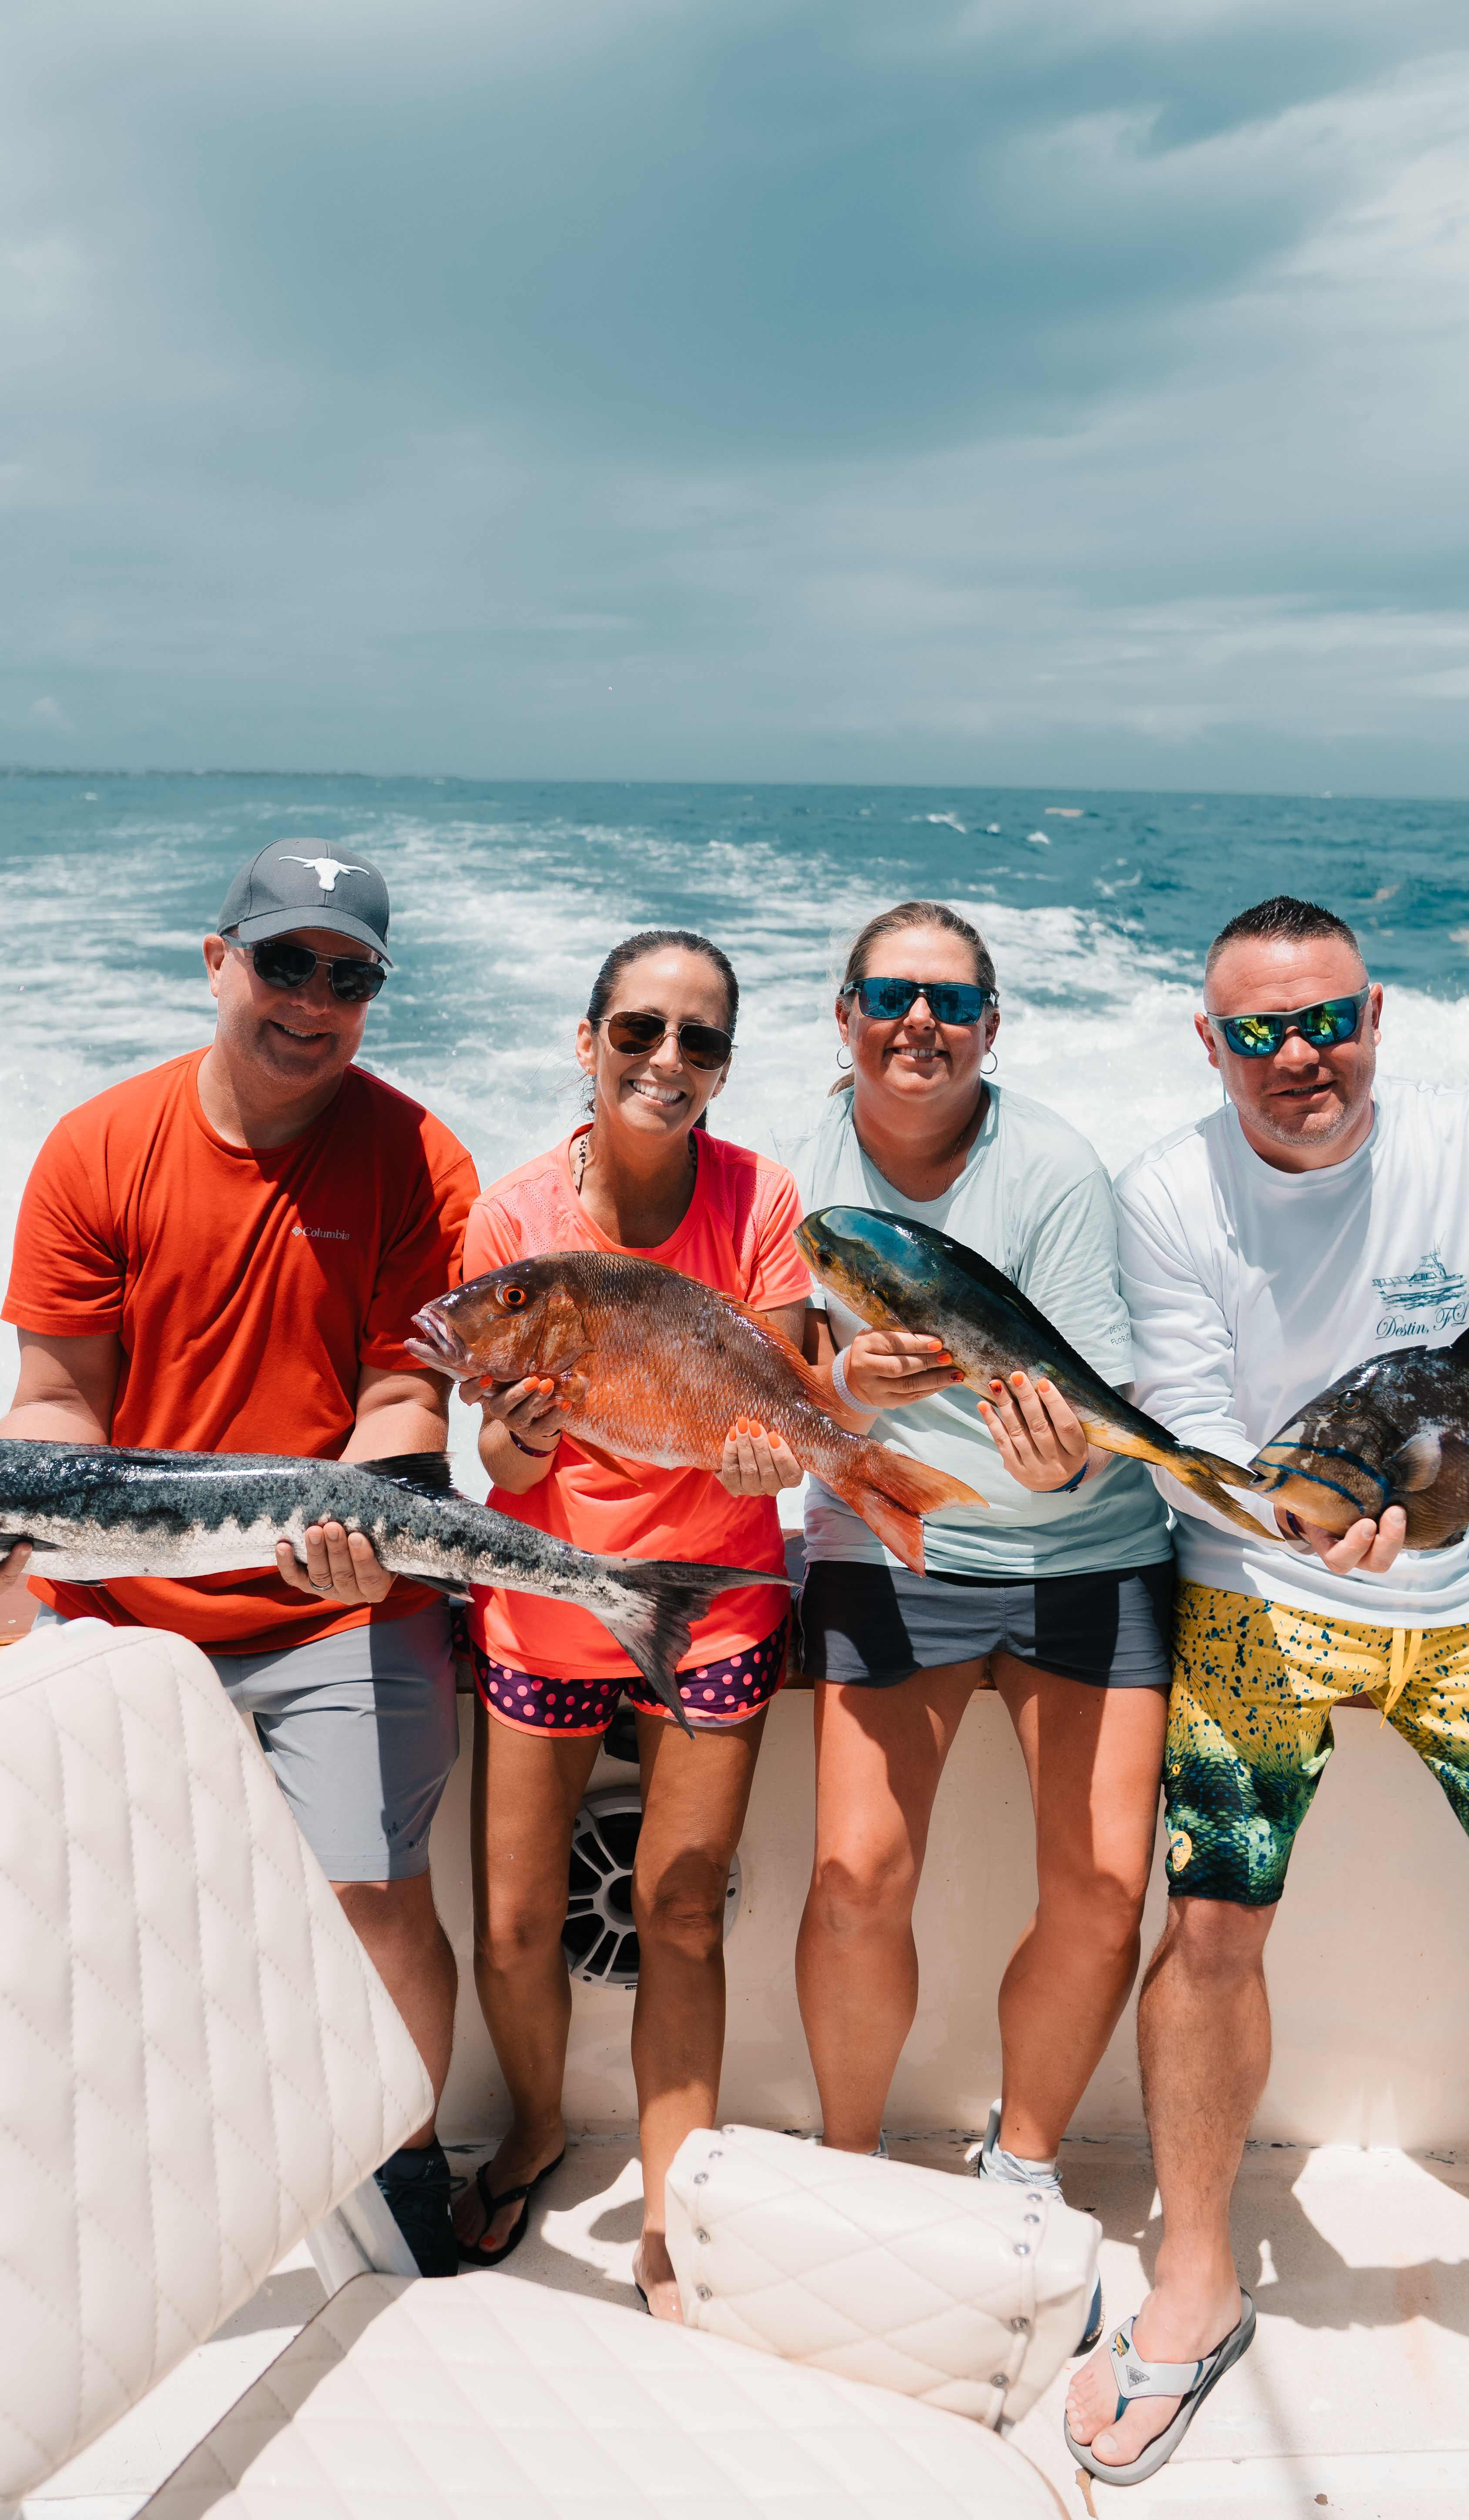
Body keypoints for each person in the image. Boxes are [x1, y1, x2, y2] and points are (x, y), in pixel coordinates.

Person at [0, 838, 478, 2276]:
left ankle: (406, 2175)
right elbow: (55, 1404)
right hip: (121, 1607)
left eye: (350, 977)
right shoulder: (97, 1147)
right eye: (285, 962)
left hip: (336, 1597)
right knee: (101, 1922)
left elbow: (407, 1398)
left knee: (373, 1896)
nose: (312, 999)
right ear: (218, 962)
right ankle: (129, 2190)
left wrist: (370, 1525)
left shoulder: (416, 1158)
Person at [1065, 893, 1469, 2483]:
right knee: (1213, 1924)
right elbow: (1195, 1438)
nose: (1300, 1057)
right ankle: (1194, 2275)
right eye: (1260, 1031)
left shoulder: (1453, 1152)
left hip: (1461, 1586)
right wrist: (1321, 1523)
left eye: (1328, 1021)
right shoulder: (1170, 1194)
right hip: (1256, 1591)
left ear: (1376, 1017)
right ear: (1210, 1039)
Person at [785, 897, 1173, 2322]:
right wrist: (840, 1391)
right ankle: (844, 2161)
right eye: (892, 995)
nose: (920, 1024)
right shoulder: (796, 1168)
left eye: (952, 1002)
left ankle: (1024, 2163)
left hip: (1088, 1548)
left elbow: (1086, 1396)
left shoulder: (1058, 1167)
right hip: (894, 1547)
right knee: (853, 1880)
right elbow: (782, 1383)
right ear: (846, 1016)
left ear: (992, 1028)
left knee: (1105, 1887)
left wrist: (1061, 1452)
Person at [449, 928, 809, 2314]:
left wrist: (773, 1455)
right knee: (517, 1921)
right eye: (640, 1031)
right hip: (550, 1595)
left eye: (700, 1041)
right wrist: (522, 1449)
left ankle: (675, 2202)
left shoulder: (760, 1196)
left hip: (715, 1593)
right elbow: (507, 1471)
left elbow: (765, 1394)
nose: (667, 1060)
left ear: (722, 1067)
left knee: (681, 1911)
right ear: (587, 1041)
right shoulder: (518, 1220)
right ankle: (538, 2130)